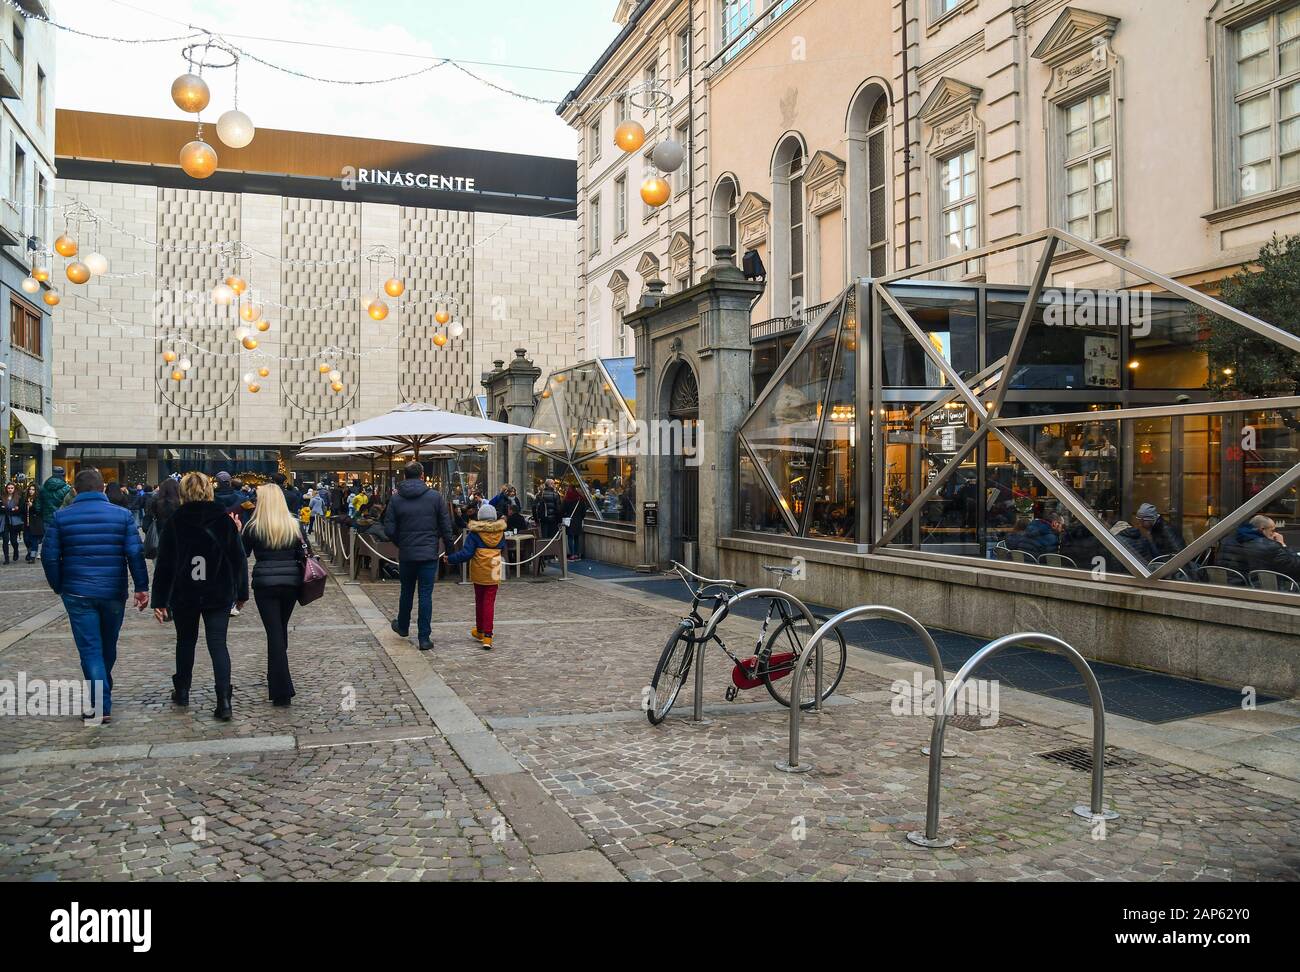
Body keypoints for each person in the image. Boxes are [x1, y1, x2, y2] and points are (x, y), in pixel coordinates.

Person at [40, 468, 150, 724]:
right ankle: (102, 699)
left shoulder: (61, 517)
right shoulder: (122, 516)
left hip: (77, 591)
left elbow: (49, 556)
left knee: (91, 650)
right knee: (108, 646)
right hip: (112, 591)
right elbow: (135, 553)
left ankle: (100, 702)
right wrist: (141, 587)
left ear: (76, 490)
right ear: (102, 489)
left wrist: (59, 585)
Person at [151, 472, 248, 721]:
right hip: (218, 591)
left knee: (185, 642)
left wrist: (159, 600)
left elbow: (165, 564)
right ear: (209, 491)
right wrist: (242, 593)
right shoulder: (223, 520)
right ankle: (224, 700)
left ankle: (182, 690)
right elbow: (238, 559)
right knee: (218, 644)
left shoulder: (175, 521)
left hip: (185, 593)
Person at [242, 483, 306, 706]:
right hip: (291, 583)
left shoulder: (253, 527)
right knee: (280, 629)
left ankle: (281, 687)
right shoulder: (294, 524)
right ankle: (276, 674)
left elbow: (242, 554)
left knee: (274, 632)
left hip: (265, 584)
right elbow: (303, 552)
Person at [382, 461, 453, 651]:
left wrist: (401, 542)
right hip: (429, 553)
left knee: (406, 591)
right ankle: (424, 637)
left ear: (404, 476)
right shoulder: (435, 497)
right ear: (422, 475)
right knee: (425, 594)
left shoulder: (396, 499)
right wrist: (450, 551)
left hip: (407, 553)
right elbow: (447, 527)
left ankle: (403, 626)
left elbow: (388, 528)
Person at [445, 502, 505, 650]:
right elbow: (502, 547)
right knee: (489, 602)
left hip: (479, 569)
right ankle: (487, 637)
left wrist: (451, 558)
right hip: (495, 568)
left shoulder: (475, 533)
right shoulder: (500, 532)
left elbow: (467, 553)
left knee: (480, 600)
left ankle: (481, 631)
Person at [1219, 515, 1300, 583]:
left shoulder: (1227, 540)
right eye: (1272, 530)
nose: (1275, 533)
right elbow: (1293, 566)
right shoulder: (1269, 546)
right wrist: (1282, 544)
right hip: (1259, 588)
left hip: (1228, 583)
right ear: (1262, 529)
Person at [143, 477, 181, 560]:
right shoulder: (182, 502)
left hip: (160, 538)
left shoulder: (155, 501)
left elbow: (147, 522)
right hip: (178, 540)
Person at [533, 478, 563, 568]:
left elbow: (534, 508)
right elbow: (558, 509)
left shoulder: (540, 495)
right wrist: (559, 521)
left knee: (544, 537)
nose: (554, 485)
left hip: (543, 520)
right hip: (553, 520)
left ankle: (545, 556)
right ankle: (552, 556)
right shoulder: (555, 494)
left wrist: (536, 520)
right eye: (553, 484)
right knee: (552, 538)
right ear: (550, 485)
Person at [562, 483, 589, 562]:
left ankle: (572, 555)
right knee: (576, 537)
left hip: (569, 521)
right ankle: (577, 554)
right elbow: (584, 512)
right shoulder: (580, 499)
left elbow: (562, 510)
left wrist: (565, 516)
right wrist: (580, 518)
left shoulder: (567, 499)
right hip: (578, 521)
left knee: (570, 537)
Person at [21, 484, 44, 562]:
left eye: (33, 489)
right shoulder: (25, 498)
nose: (31, 491)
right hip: (26, 522)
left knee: (34, 540)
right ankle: (30, 552)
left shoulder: (38, 499)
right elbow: (22, 509)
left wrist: (32, 506)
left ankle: (32, 557)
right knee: (26, 539)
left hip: (35, 523)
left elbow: (39, 509)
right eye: (30, 489)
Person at [2, 482, 21, 564]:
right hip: (4, 521)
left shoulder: (18, 498)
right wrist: (11, 510)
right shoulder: (2, 497)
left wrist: (10, 510)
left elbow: (19, 510)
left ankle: (16, 551)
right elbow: (1, 509)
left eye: (11, 488)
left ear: (14, 489)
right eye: (8, 488)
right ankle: (6, 558)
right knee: (5, 540)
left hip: (14, 521)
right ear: (6, 489)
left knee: (13, 540)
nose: (10, 489)